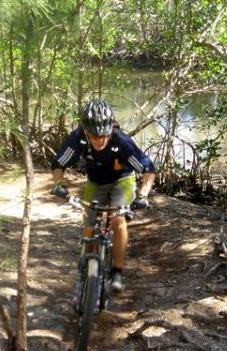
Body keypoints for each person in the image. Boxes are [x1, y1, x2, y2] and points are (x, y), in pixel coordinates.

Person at [50, 99, 156, 292]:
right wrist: (59, 185)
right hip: (95, 181)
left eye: (104, 136)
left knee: (118, 220)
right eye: (94, 136)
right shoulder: (78, 138)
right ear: (86, 131)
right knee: (89, 225)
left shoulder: (122, 142)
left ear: (110, 129)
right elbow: (58, 163)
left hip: (121, 181)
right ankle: (86, 264)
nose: (99, 141)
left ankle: (117, 271)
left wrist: (142, 195)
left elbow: (148, 168)